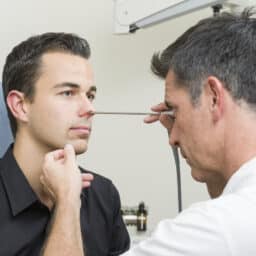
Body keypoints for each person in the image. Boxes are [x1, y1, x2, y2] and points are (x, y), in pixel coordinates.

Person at [45, 10, 256, 255]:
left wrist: (67, 203)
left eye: (175, 110)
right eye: (67, 93)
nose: (173, 138)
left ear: (214, 97)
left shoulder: (215, 229)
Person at [0, 32, 130, 256]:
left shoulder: (103, 195)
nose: (89, 108)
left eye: (90, 95)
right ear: (20, 106)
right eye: (68, 93)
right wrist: (67, 203)